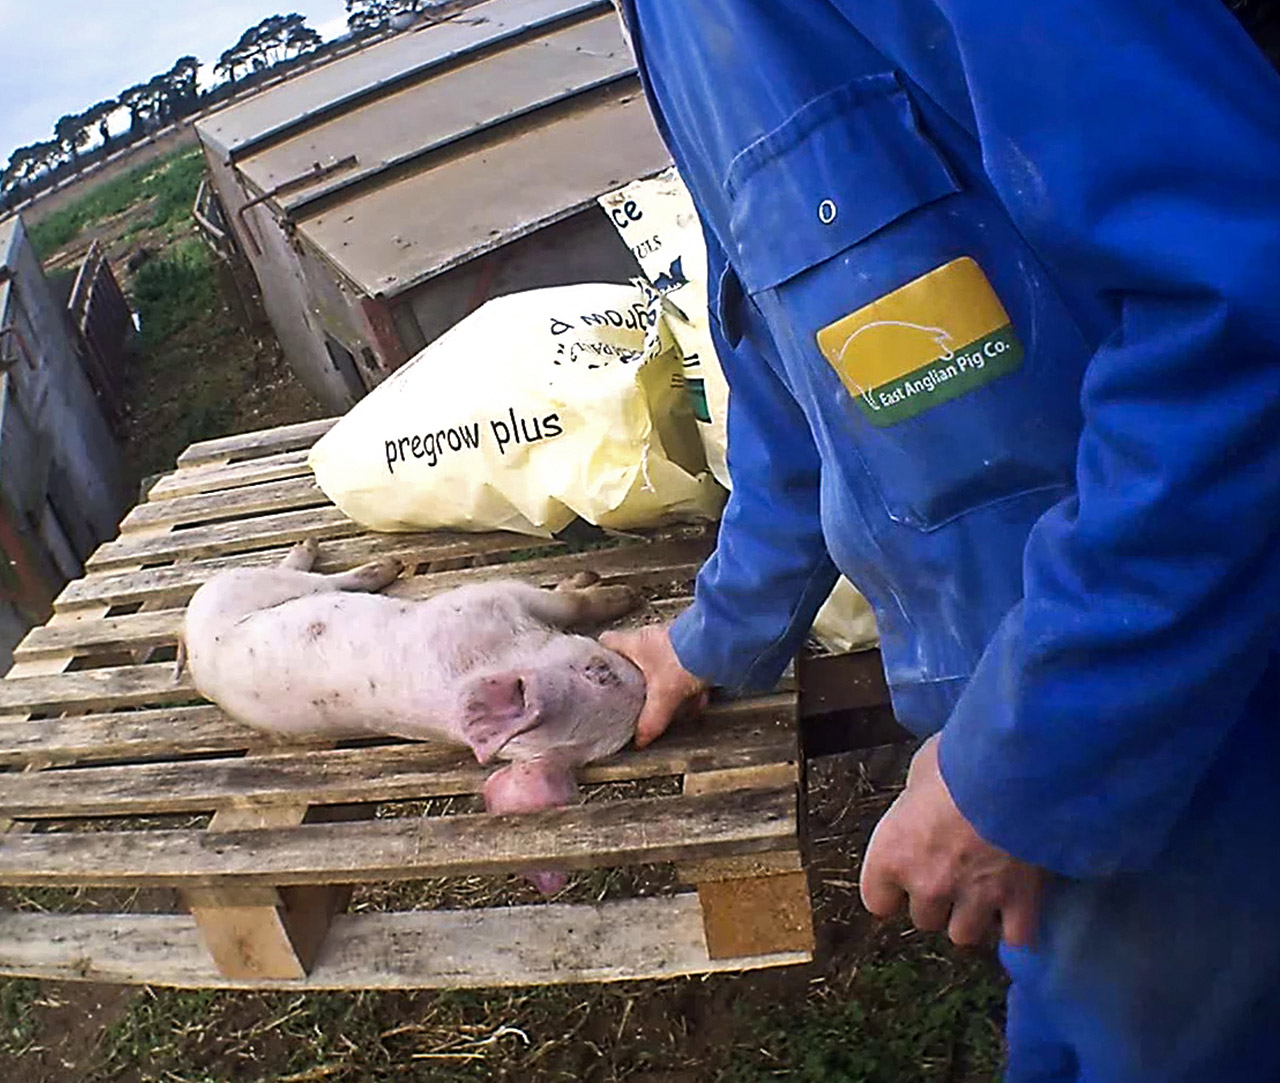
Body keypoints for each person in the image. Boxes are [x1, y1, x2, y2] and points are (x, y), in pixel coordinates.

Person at [599, 2, 1280, 1079]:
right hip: (1038, 739)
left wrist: (1032, 757)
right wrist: (712, 635)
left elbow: (1238, 305)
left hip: (1194, 708)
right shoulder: (679, 24)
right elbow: (796, 367)